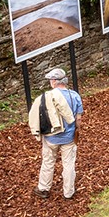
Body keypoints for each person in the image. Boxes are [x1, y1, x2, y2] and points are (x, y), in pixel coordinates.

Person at [29, 68, 81, 199]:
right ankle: (68, 192)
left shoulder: (45, 97)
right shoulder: (74, 95)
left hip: (50, 137)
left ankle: (43, 188)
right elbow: (78, 118)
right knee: (68, 164)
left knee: (47, 162)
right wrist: (77, 130)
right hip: (68, 137)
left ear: (54, 82)